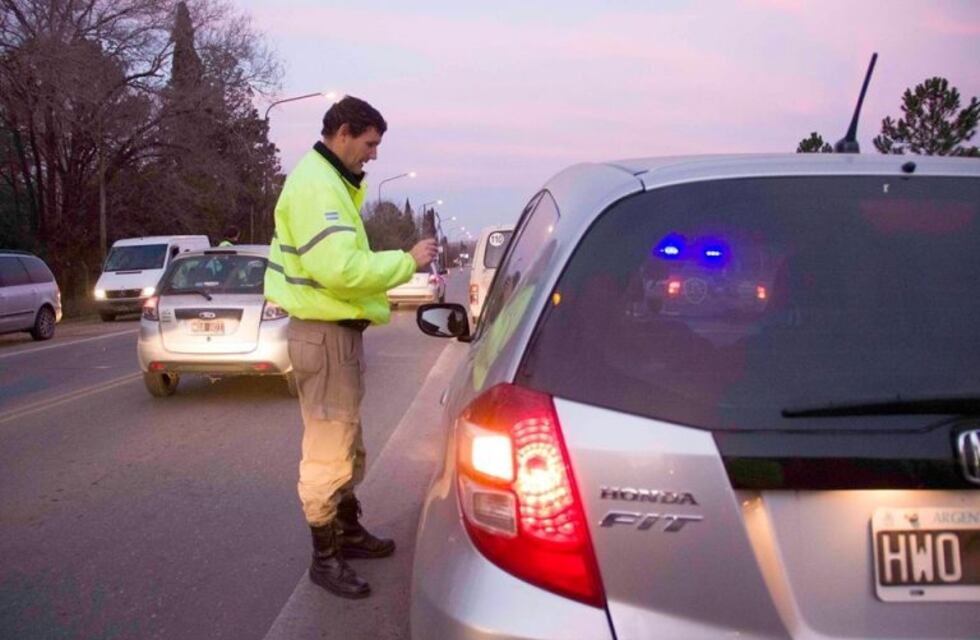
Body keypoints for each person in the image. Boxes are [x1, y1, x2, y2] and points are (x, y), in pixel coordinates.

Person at [264, 96, 437, 599]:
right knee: (327, 451)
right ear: (343, 133)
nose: (373, 155)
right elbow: (340, 269)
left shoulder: (329, 183)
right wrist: (405, 261)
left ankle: (348, 531)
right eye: (369, 144)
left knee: (346, 443)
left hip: (332, 333)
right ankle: (325, 557)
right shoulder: (318, 187)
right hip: (323, 332)